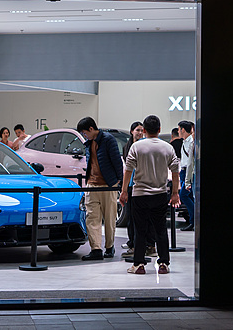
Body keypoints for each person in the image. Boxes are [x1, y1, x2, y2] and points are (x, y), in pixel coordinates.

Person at [120, 114, 180, 275]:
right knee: (160, 230)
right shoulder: (167, 147)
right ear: (159, 129)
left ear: (144, 130)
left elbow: (128, 170)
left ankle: (139, 264)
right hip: (160, 194)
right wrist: (175, 193)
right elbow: (175, 171)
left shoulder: (136, 147)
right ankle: (164, 263)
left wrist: (124, 191)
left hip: (139, 194)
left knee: (140, 230)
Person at [76, 116, 124, 261]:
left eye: (85, 132)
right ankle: (96, 249)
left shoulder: (108, 139)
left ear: (91, 129)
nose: (84, 135)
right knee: (92, 218)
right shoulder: (88, 143)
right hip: (91, 185)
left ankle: (109, 247)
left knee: (109, 218)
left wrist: (119, 181)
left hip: (108, 185)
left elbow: (117, 161)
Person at [121, 121, 146, 252]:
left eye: (142, 130)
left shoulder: (145, 146)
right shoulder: (127, 147)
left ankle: (143, 244)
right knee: (130, 216)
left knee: (142, 217)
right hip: (131, 184)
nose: (140, 133)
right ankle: (132, 242)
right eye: (137, 130)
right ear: (132, 131)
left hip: (142, 184)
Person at [177, 120, 196, 231]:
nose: (178, 131)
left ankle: (194, 220)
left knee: (183, 195)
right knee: (189, 196)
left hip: (189, 172)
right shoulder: (184, 142)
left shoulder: (191, 142)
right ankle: (193, 221)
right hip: (184, 172)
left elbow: (190, 162)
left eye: (179, 129)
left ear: (183, 129)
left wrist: (188, 179)